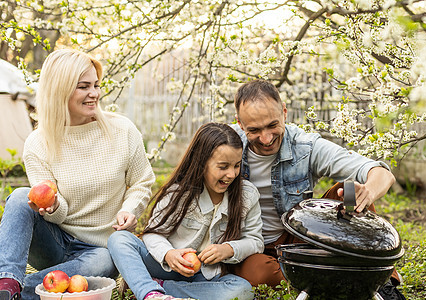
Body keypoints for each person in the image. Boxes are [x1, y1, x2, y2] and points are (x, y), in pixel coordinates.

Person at [0, 49, 155, 300]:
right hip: (54, 241)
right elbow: (54, 210)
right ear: (61, 90)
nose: (94, 93)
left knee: (104, 260)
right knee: (19, 197)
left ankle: (21, 292)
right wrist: (52, 206)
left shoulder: (122, 130)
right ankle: (7, 281)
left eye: (96, 85)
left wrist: (130, 208)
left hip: (99, 249)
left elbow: (142, 182)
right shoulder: (38, 143)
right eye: (84, 86)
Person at [229, 79, 404, 299]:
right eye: (254, 130)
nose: (265, 138)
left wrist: (367, 191)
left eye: (272, 125)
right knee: (259, 275)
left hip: (300, 236)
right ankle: (326, 278)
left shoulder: (305, 146)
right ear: (240, 123)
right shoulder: (225, 144)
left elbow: (381, 173)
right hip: (252, 244)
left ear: (284, 112)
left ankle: (381, 282)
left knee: (347, 190)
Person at [108, 122, 264, 300]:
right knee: (119, 239)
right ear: (202, 163)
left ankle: (157, 287)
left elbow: (255, 240)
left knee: (243, 290)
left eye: (236, 165)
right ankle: (149, 293)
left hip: (206, 275)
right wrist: (168, 254)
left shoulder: (247, 195)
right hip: (166, 266)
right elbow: (152, 234)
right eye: (223, 167)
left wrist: (229, 249)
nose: (232, 174)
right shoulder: (179, 194)